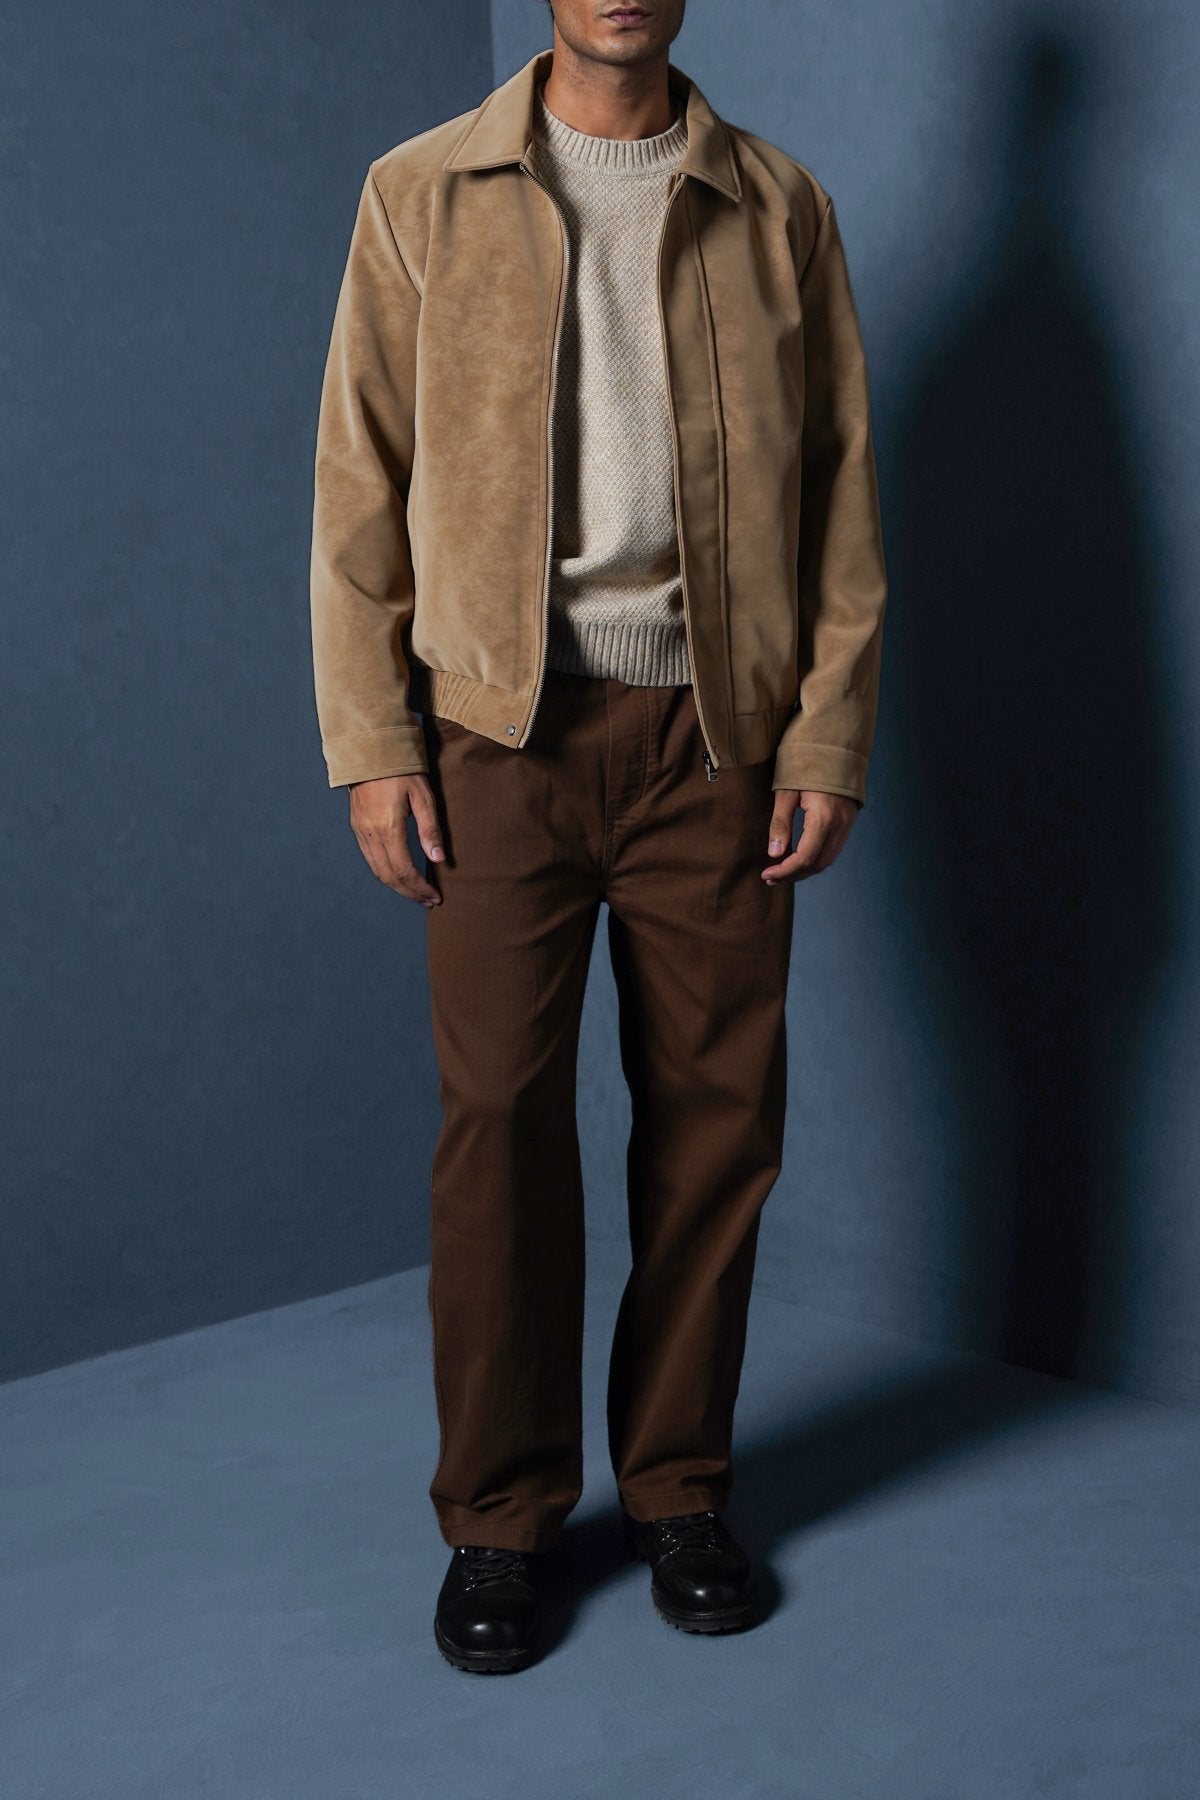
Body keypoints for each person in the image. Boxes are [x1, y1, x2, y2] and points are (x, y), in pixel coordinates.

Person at [309, 1, 887, 1675]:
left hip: (718, 743)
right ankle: (500, 1518)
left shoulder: (778, 205)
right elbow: (359, 484)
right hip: (501, 739)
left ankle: (679, 1487)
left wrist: (824, 737)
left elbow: (843, 496)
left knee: (716, 1125)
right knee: (500, 1125)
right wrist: (375, 746)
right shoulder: (422, 191)